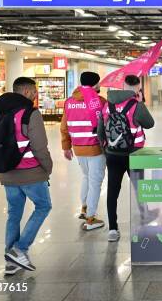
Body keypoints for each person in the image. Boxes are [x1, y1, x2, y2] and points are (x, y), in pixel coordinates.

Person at [0, 77, 52, 274]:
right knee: (44, 206)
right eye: (34, 91)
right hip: (31, 173)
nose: (36, 95)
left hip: (7, 173)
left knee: (14, 213)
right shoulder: (30, 113)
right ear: (27, 92)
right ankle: (19, 249)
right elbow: (40, 147)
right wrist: (48, 168)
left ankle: (11, 262)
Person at [98, 75, 155, 242]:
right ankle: (144, 217)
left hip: (113, 154)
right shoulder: (136, 105)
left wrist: (107, 149)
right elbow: (150, 123)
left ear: (123, 85)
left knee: (113, 190)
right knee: (140, 187)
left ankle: (113, 229)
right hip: (134, 154)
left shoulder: (107, 105)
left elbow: (101, 131)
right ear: (137, 88)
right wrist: (140, 102)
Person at [61, 71, 106, 231]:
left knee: (87, 177)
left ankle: (84, 208)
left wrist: (66, 147)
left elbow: (64, 127)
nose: (100, 86)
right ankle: (91, 218)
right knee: (95, 182)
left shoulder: (69, 101)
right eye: (98, 83)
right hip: (95, 148)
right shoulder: (99, 101)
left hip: (78, 148)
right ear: (94, 84)